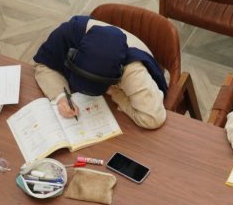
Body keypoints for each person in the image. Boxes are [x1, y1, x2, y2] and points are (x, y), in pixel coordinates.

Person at [33, 15, 167, 129]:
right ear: (73, 55)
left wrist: (117, 95)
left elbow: (153, 119)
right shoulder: (68, 35)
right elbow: (44, 64)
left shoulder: (131, 69)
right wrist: (61, 96)